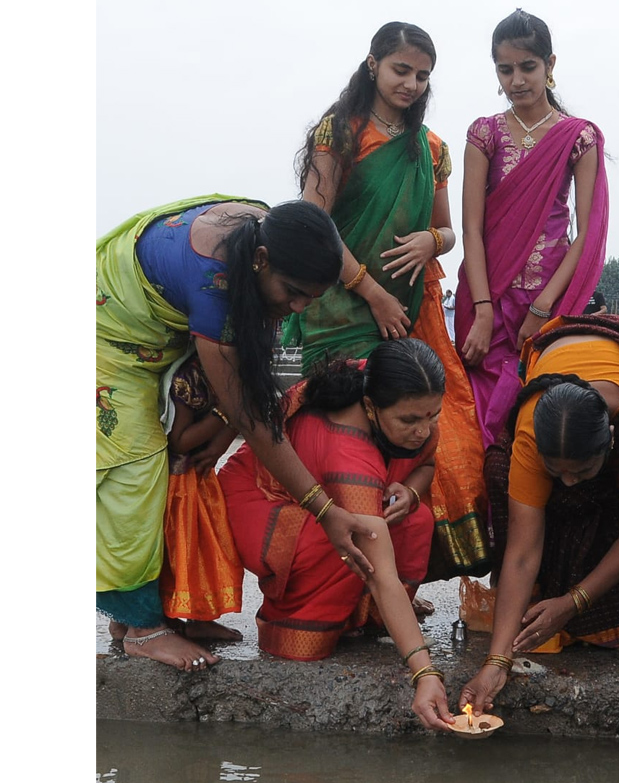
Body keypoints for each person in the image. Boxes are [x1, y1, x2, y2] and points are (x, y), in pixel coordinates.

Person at [97, 196, 380, 672]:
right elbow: (252, 414)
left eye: (310, 298)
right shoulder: (215, 282)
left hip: (171, 335)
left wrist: (227, 425)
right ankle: (142, 631)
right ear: (261, 261)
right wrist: (325, 510)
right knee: (136, 470)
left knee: (184, 480)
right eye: (292, 293)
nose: (297, 308)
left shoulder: (267, 239)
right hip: (110, 336)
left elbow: (245, 399)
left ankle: (171, 613)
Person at [287, 21, 490, 580]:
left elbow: (449, 233)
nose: (412, 83)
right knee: (345, 436)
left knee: (414, 436)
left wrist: (433, 240)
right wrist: (371, 291)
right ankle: (335, 577)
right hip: (340, 309)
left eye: (423, 75)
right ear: (373, 64)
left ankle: (389, 577)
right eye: (402, 70)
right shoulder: (341, 132)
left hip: (407, 313)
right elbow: (313, 224)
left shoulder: (431, 148)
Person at [218, 339, 457, 729]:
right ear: (369, 408)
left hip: (335, 497)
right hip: (265, 503)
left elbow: (425, 461)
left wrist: (411, 490)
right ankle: (299, 623)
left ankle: (366, 618)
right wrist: (424, 673)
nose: (423, 430)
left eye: (432, 416)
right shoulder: (349, 448)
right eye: (410, 421)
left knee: (416, 520)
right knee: (348, 550)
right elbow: (379, 572)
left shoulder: (390, 386)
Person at [458, 315, 619, 713]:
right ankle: (533, 603)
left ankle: (599, 611)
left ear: (612, 441)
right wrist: (496, 662)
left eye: (579, 471)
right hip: (565, 378)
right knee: (499, 469)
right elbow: (522, 551)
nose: (566, 482)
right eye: (555, 470)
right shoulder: (533, 428)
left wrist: (573, 601)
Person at [455, 8, 610, 449]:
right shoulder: (484, 133)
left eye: (528, 67)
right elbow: (471, 228)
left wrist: (543, 308)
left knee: (540, 413)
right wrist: (483, 309)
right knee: (477, 416)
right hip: (488, 295)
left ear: (550, 65)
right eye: (505, 70)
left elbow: (587, 232)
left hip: (551, 297)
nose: (516, 80)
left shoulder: (579, 137)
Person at [158, 354, 244, 640]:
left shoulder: (232, 371)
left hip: (201, 477)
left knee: (209, 550)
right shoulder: (188, 378)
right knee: (183, 552)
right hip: (179, 483)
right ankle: (166, 620)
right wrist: (222, 413)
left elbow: (242, 412)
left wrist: (221, 439)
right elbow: (180, 440)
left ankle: (200, 618)